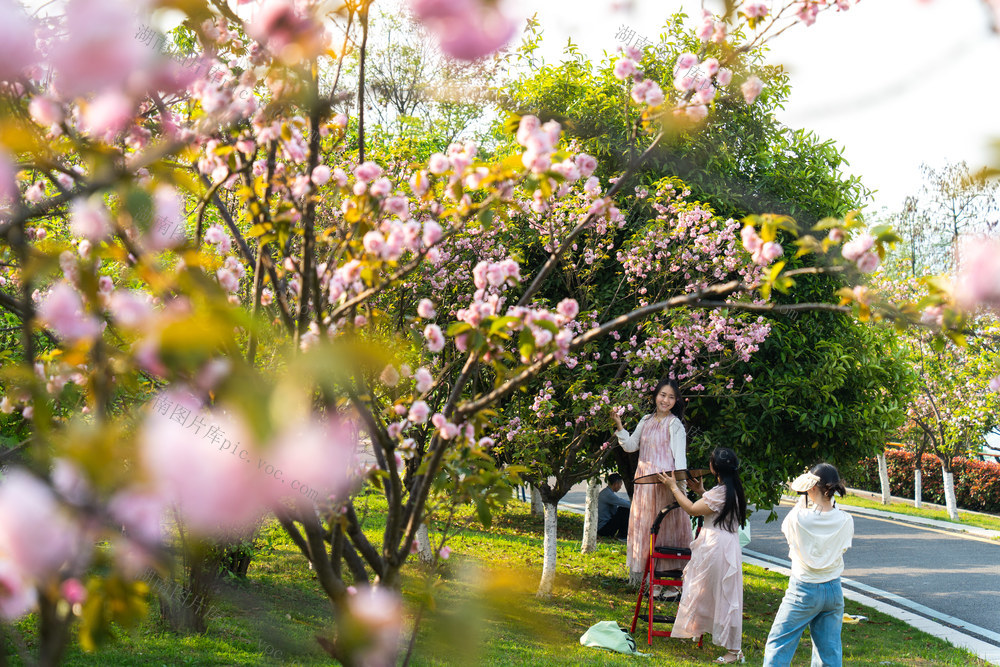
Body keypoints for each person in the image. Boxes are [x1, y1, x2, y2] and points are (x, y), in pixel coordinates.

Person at [660, 447, 747, 664]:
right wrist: (702, 491)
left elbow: (691, 509)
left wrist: (673, 487)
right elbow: (715, 506)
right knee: (723, 594)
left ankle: (733, 651)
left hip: (716, 545)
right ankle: (728, 646)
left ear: (713, 467)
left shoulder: (721, 492)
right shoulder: (731, 488)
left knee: (720, 595)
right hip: (727, 545)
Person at [763, 463, 854, 667]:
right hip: (833, 590)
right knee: (828, 653)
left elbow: (788, 530)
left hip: (803, 589)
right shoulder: (846, 520)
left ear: (811, 488)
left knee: (779, 642)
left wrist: (803, 501)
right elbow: (842, 547)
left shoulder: (798, 518)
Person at [611, 378, 690, 586]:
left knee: (665, 531)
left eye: (671, 397)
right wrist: (619, 426)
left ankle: (669, 585)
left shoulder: (675, 425)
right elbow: (630, 446)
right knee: (646, 529)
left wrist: (679, 491)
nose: (666, 400)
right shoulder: (645, 420)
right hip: (644, 485)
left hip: (664, 484)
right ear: (655, 396)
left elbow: (680, 460)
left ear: (676, 401)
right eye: (663, 395)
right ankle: (650, 582)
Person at [597, 473, 631, 540]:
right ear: (616, 484)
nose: (620, 487)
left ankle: (622, 534)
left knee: (622, 509)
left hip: (603, 526)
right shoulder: (608, 494)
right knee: (624, 509)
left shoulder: (606, 492)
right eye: (620, 485)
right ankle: (623, 536)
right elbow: (625, 503)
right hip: (602, 529)